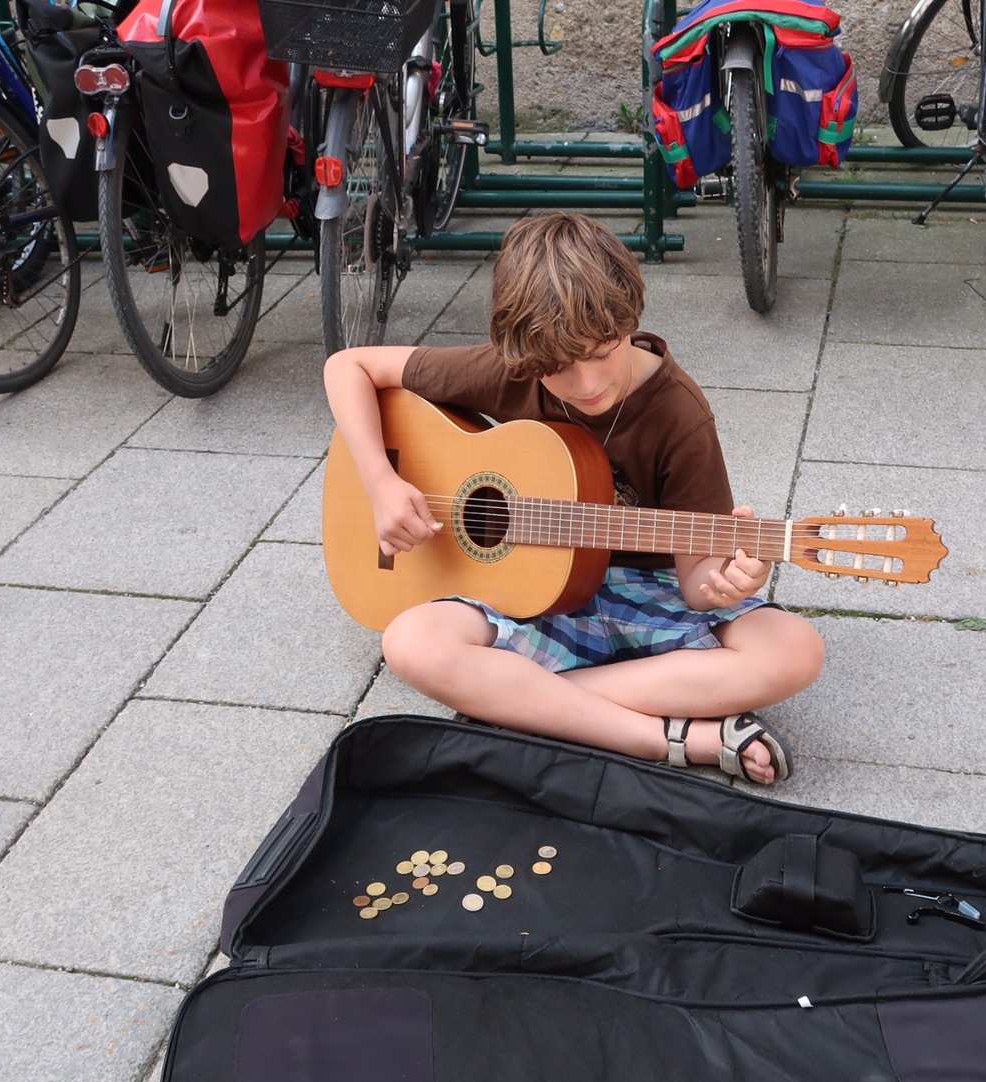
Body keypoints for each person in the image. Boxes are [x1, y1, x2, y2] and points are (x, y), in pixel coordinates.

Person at [322, 213, 824, 785]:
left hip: (645, 594)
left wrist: (730, 582)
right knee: (410, 643)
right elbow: (348, 366)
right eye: (559, 369)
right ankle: (668, 739)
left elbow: (696, 584)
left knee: (794, 651)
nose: (586, 384)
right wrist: (382, 484)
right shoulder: (514, 370)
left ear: (628, 319)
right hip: (530, 596)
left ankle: (529, 703)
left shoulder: (679, 414)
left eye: (604, 351)